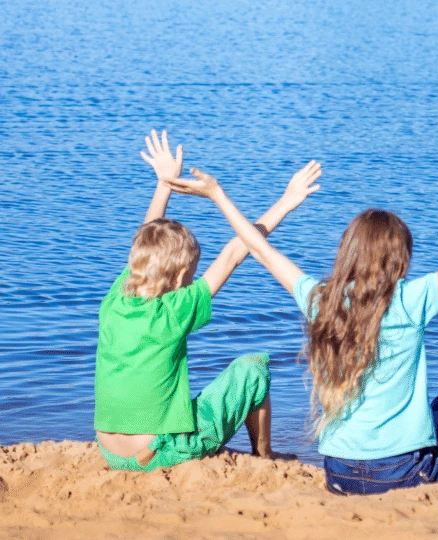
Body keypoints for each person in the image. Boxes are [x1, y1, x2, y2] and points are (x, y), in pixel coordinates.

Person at [163, 156, 438, 494]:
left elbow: (261, 250)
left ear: (347, 253)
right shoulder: (410, 299)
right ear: (400, 259)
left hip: (339, 474)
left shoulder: (321, 300)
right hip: (403, 476)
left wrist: (217, 195)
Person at [94, 130, 321, 471]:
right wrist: (287, 201)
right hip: (160, 455)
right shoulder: (173, 311)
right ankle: (265, 457)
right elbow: (234, 253)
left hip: (111, 452)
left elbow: (146, 237)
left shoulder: (116, 299)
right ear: (183, 273)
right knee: (253, 369)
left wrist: (164, 183)